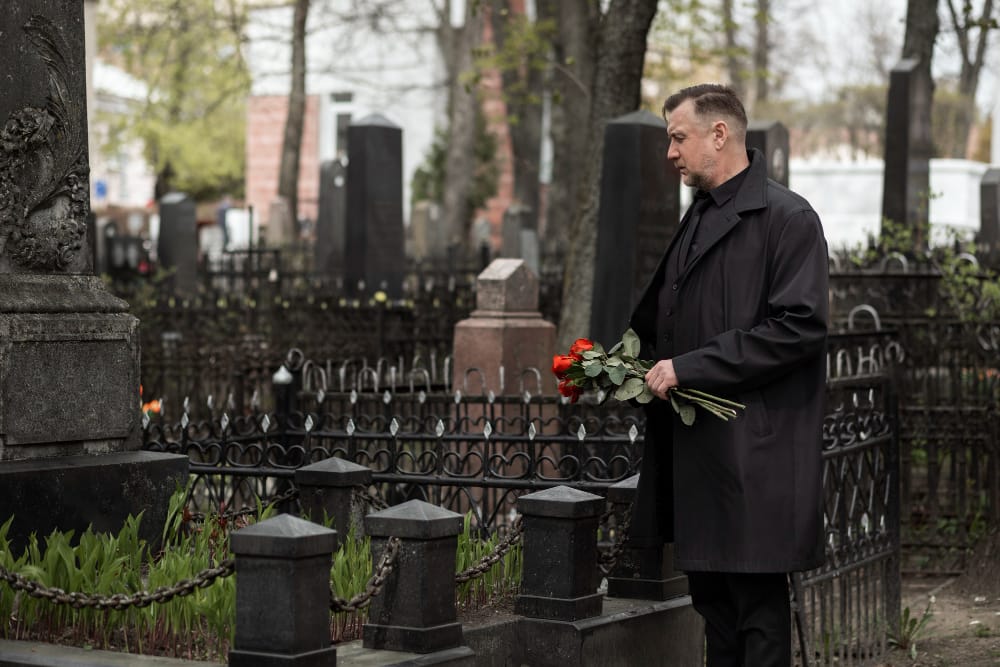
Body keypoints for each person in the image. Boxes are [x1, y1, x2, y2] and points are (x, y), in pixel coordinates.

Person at [627, 84, 829, 667]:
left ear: (720, 134)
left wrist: (689, 367)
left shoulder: (788, 218)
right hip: (700, 454)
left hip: (755, 456)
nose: (670, 152)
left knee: (756, 616)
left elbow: (798, 328)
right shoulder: (697, 217)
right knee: (713, 608)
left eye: (677, 137)